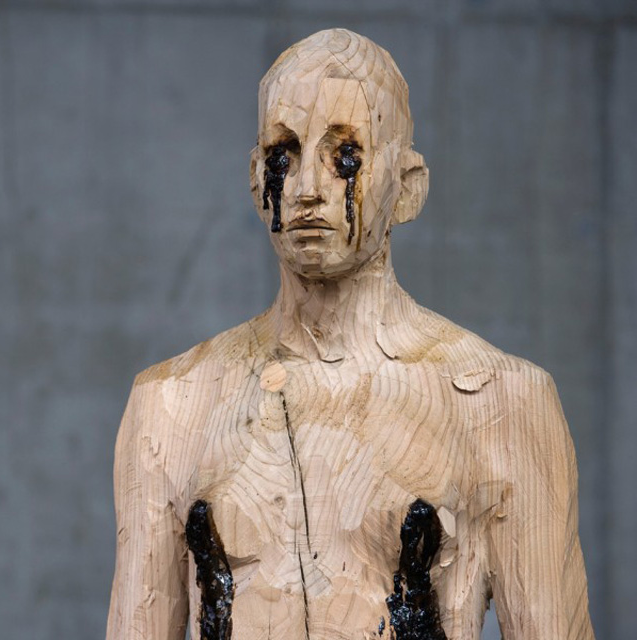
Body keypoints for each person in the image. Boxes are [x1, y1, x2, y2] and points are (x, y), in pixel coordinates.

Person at [107, 29, 594, 640]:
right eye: (284, 154)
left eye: (345, 155)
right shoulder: (172, 405)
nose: (307, 188)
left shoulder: (501, 403)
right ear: (256, 180)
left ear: (408, 187)